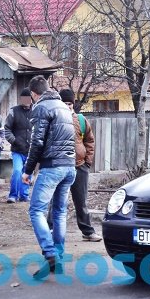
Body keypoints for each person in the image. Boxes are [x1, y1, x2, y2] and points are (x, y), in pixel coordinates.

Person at [21, 76, 77, 279]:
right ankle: (58, 256)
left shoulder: (41, 107)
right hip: (69, 167)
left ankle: (51, 254)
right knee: (59, 212)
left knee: (36, 210)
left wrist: (27, 170)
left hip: (52, 166)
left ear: (35, 94)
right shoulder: (63, 106)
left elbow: (36, 143)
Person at [49, 89, 102, 242]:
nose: (67, 106)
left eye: (70, 103)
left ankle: (88, 232)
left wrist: (87, 162)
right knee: (56, 199)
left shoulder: (81, 120)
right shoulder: (54, 119)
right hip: (60, 166)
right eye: (64, 103)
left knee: (81, 201)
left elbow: (90, 141)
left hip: (79, 166)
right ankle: (51, 228)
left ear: (73, 104)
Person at [4, 87, 33, 203]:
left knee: (27, 172)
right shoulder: (13, 111)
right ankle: (13, 195)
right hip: (17, 149)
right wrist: (14, 140)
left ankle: (24, 195)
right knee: (17, 171)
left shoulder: (36, 111)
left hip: (31, 150)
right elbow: (6, 129)